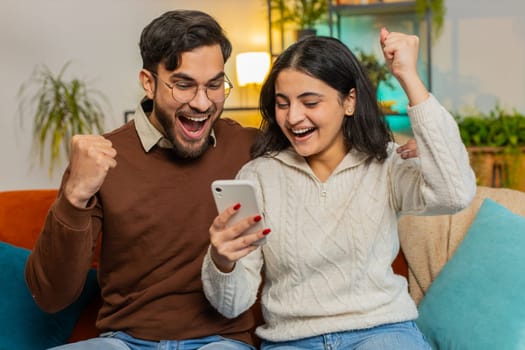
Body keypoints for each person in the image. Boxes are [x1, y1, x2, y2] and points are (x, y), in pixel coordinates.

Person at [202, 29, 476, 350]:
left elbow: (455, 194)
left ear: (349, 101)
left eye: (310, 102)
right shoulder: (258, 176)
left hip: (381, 332)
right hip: (292, 341)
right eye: (282, 103)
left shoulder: (386, 163)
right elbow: (231, 304)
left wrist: (408, 76)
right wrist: (222, 261)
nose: (293, 117)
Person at [25, 9, 260, 350]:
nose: (202, 102)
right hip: (125, 342)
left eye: (214, 85)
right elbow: (49, 297)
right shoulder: (101, 158)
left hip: (221, 341)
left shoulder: (247, 147)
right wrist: (74, 198)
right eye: (183, 85)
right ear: (148, 83)